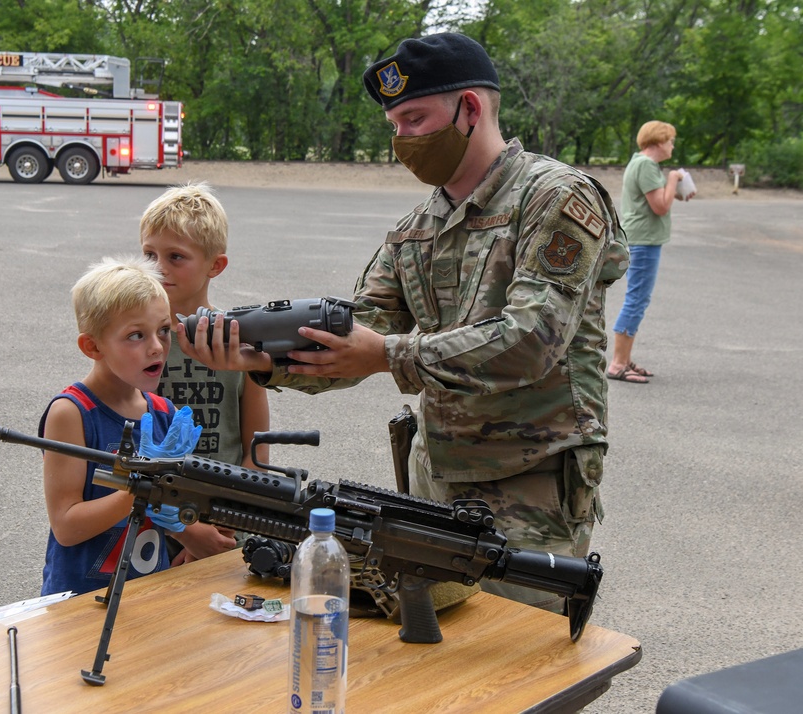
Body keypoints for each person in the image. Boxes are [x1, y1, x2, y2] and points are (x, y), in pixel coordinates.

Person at [179, 32, 629, 611]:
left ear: (470, 108)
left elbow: (532, 339)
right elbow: (357, 332)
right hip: (435, 484)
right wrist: (264, 359)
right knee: (433, 662)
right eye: (394, 125)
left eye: (416, 118)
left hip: (531, 487)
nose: (404, 140)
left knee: (518, 663)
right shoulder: (419, 225)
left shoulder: (554, 198)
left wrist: (391, 354)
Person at [39, 256, 235, 596]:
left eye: (162, 330)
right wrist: (141, 487)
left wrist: (190, 530)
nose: (157, 347)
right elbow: (66, 526)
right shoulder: (71, 413)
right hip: (78, 601)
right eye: (135, 336)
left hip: (149, 593)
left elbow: (167, 509)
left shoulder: (164, 412)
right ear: (92, 346)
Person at [141, 182, 269, 562]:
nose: (157, 268)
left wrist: (223, 524)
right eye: (149, 254)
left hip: (227, 528)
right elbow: (120, 447)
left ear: (215, 265)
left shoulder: (240, 341)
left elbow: (257, 451)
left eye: (175, 257)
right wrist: (186, 533)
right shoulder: (133, 343)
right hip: (153, 529)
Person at [608, 120, 694, 383]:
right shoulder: (646, 165)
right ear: (658, 142)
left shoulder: (641, 163)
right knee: (637, 299)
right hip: (643, 241)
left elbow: (655, 199)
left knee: (638, 298)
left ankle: (624, 359)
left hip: (641, 238)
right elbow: (659, 207)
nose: (672, 146)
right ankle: (618, 364)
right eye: (670, 141)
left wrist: (675, 190)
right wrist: (672, 179)